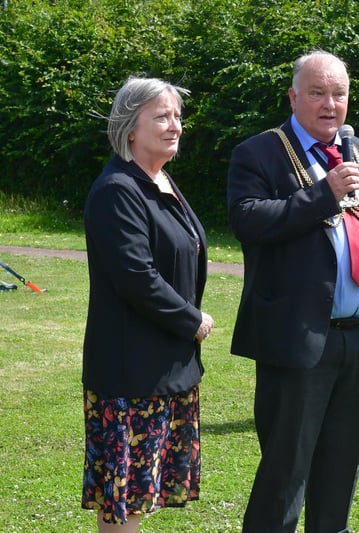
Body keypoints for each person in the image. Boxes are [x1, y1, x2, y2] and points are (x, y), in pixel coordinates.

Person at [227, 51, 359, 532]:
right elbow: (248, 220)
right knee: (286, 473)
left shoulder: (358, 149)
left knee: (341, 469)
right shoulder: (260, 151)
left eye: (339, 93)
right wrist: (321, 194)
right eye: (317, 92)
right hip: (301, 337)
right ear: (293, 96)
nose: (331, 104)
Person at [82, 76, 214, 532]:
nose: (174, 125)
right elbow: (137, 277)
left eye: (177, 116)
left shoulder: (159, 179)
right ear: (130, 127)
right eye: (161, 116)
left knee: (143, 490)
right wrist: (192, 320)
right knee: (125, 497)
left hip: (165, 366)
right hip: (131, 372)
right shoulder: (118, 189)